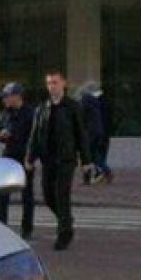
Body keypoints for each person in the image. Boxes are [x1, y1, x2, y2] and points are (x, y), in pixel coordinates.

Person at [26, 70, 94, 251]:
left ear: (64, 84)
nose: (51, 86)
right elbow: (34, 135)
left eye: (55, 82)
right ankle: (67, 221)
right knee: (48, 196)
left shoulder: (72, 107)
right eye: (49, 83)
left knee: (62, 196)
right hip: (47, 159)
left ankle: (63, 234)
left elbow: (81, 134)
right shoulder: (42, 108)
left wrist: (86, 160)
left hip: (66, 159)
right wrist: (30, 158)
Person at [0, 82, 35, 239]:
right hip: (8, 156)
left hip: (24, 156)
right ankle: (1, 226)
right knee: (2, 193)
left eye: (6, 96)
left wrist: (31, 158)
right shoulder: (5, 113)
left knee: (27, 194)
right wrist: (1, 135)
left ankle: (27, 229)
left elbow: (34, 137)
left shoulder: (30, 113)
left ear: (16, 97)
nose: (4, 100)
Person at [78, 82, 112, 184]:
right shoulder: (97, 102)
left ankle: (92, 176)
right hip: (100, 131)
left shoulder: (85, 101)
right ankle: (101, 172)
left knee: (88, 155)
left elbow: (81, 116)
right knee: (96, 154)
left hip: (90, 132)